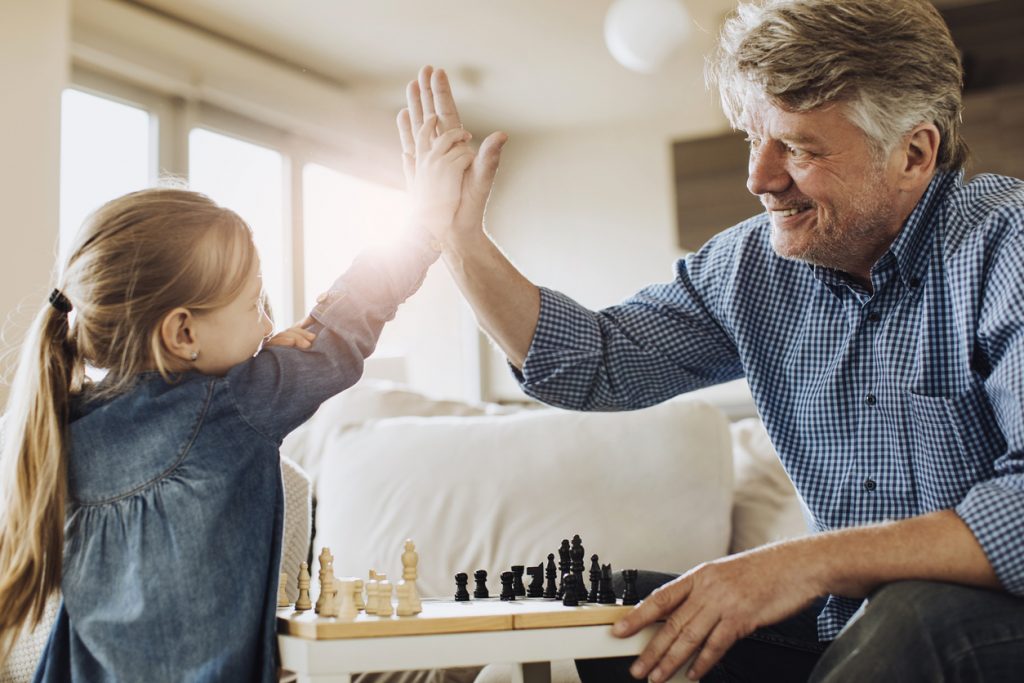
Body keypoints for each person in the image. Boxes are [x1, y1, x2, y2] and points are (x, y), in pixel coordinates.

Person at [396, 0, 1024, 679]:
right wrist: (458, 242)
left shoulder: (1005, 245)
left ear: (913, 152)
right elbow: (594, 363)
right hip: (855, 633)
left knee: (913, 617)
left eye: (799, 148)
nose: (758, 178)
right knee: (610, 613)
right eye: (753, 139)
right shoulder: (749, 268)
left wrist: (801, 562)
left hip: (990, 625)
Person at [0, 115, 474, 680]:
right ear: (183, 334)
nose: (269, 321)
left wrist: (252, 359)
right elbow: (344, 332)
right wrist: (422, 226)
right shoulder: (232, 406)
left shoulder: (61, 421)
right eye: (253, 305)